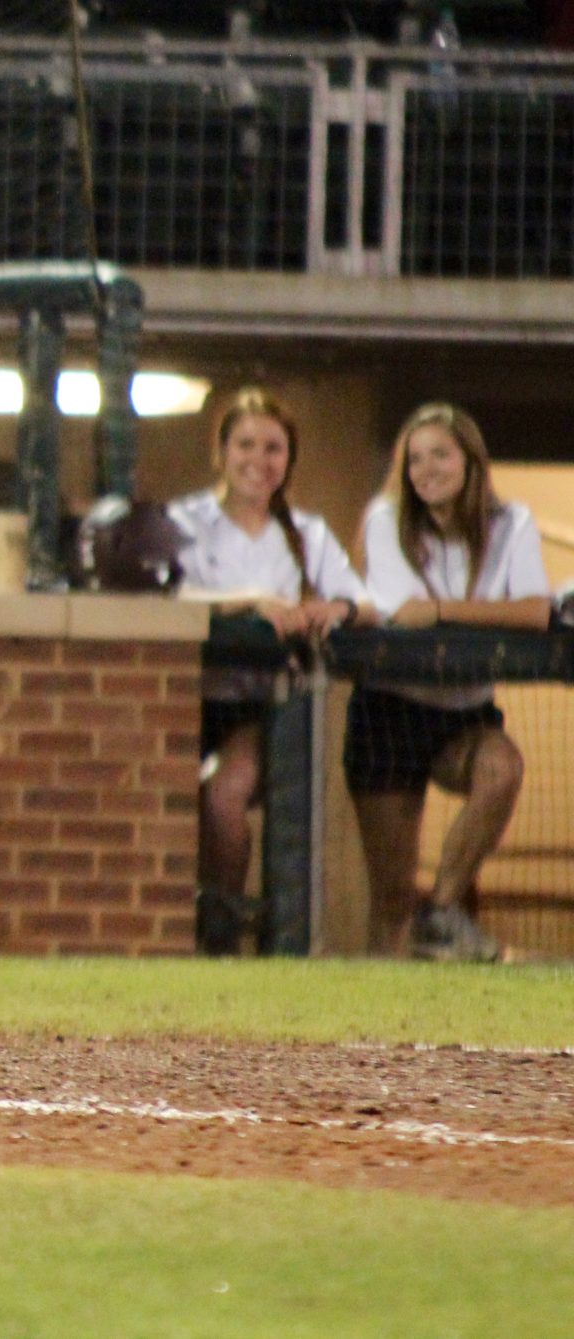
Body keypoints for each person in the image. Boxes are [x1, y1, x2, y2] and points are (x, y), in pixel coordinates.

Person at [163, 389, 373, 957]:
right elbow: (171, 596)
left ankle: (220, 931)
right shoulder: (186, 520)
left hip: (263, 704)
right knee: (161, 805)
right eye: (246, 444)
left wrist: (337, 609)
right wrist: (251, 601)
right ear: (222, 451)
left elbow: (365, 602)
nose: (259, 459)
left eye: (274, 448)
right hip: (181, 697)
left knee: (223, 797)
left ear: (289, 458)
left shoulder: (306, 532)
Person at [350, 404, 546, 963]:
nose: (426, 469)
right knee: (390, 899)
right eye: (415, 458)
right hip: (388, 706)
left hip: (466, 709)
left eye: (440, 453)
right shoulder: (386, 518)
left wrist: (441, 609)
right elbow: (402, 611)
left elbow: (534, 611)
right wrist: (473, 611)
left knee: (503, 767)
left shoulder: (513, 522)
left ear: (470, 459)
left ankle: (441, 912)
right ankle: (369, 1038)